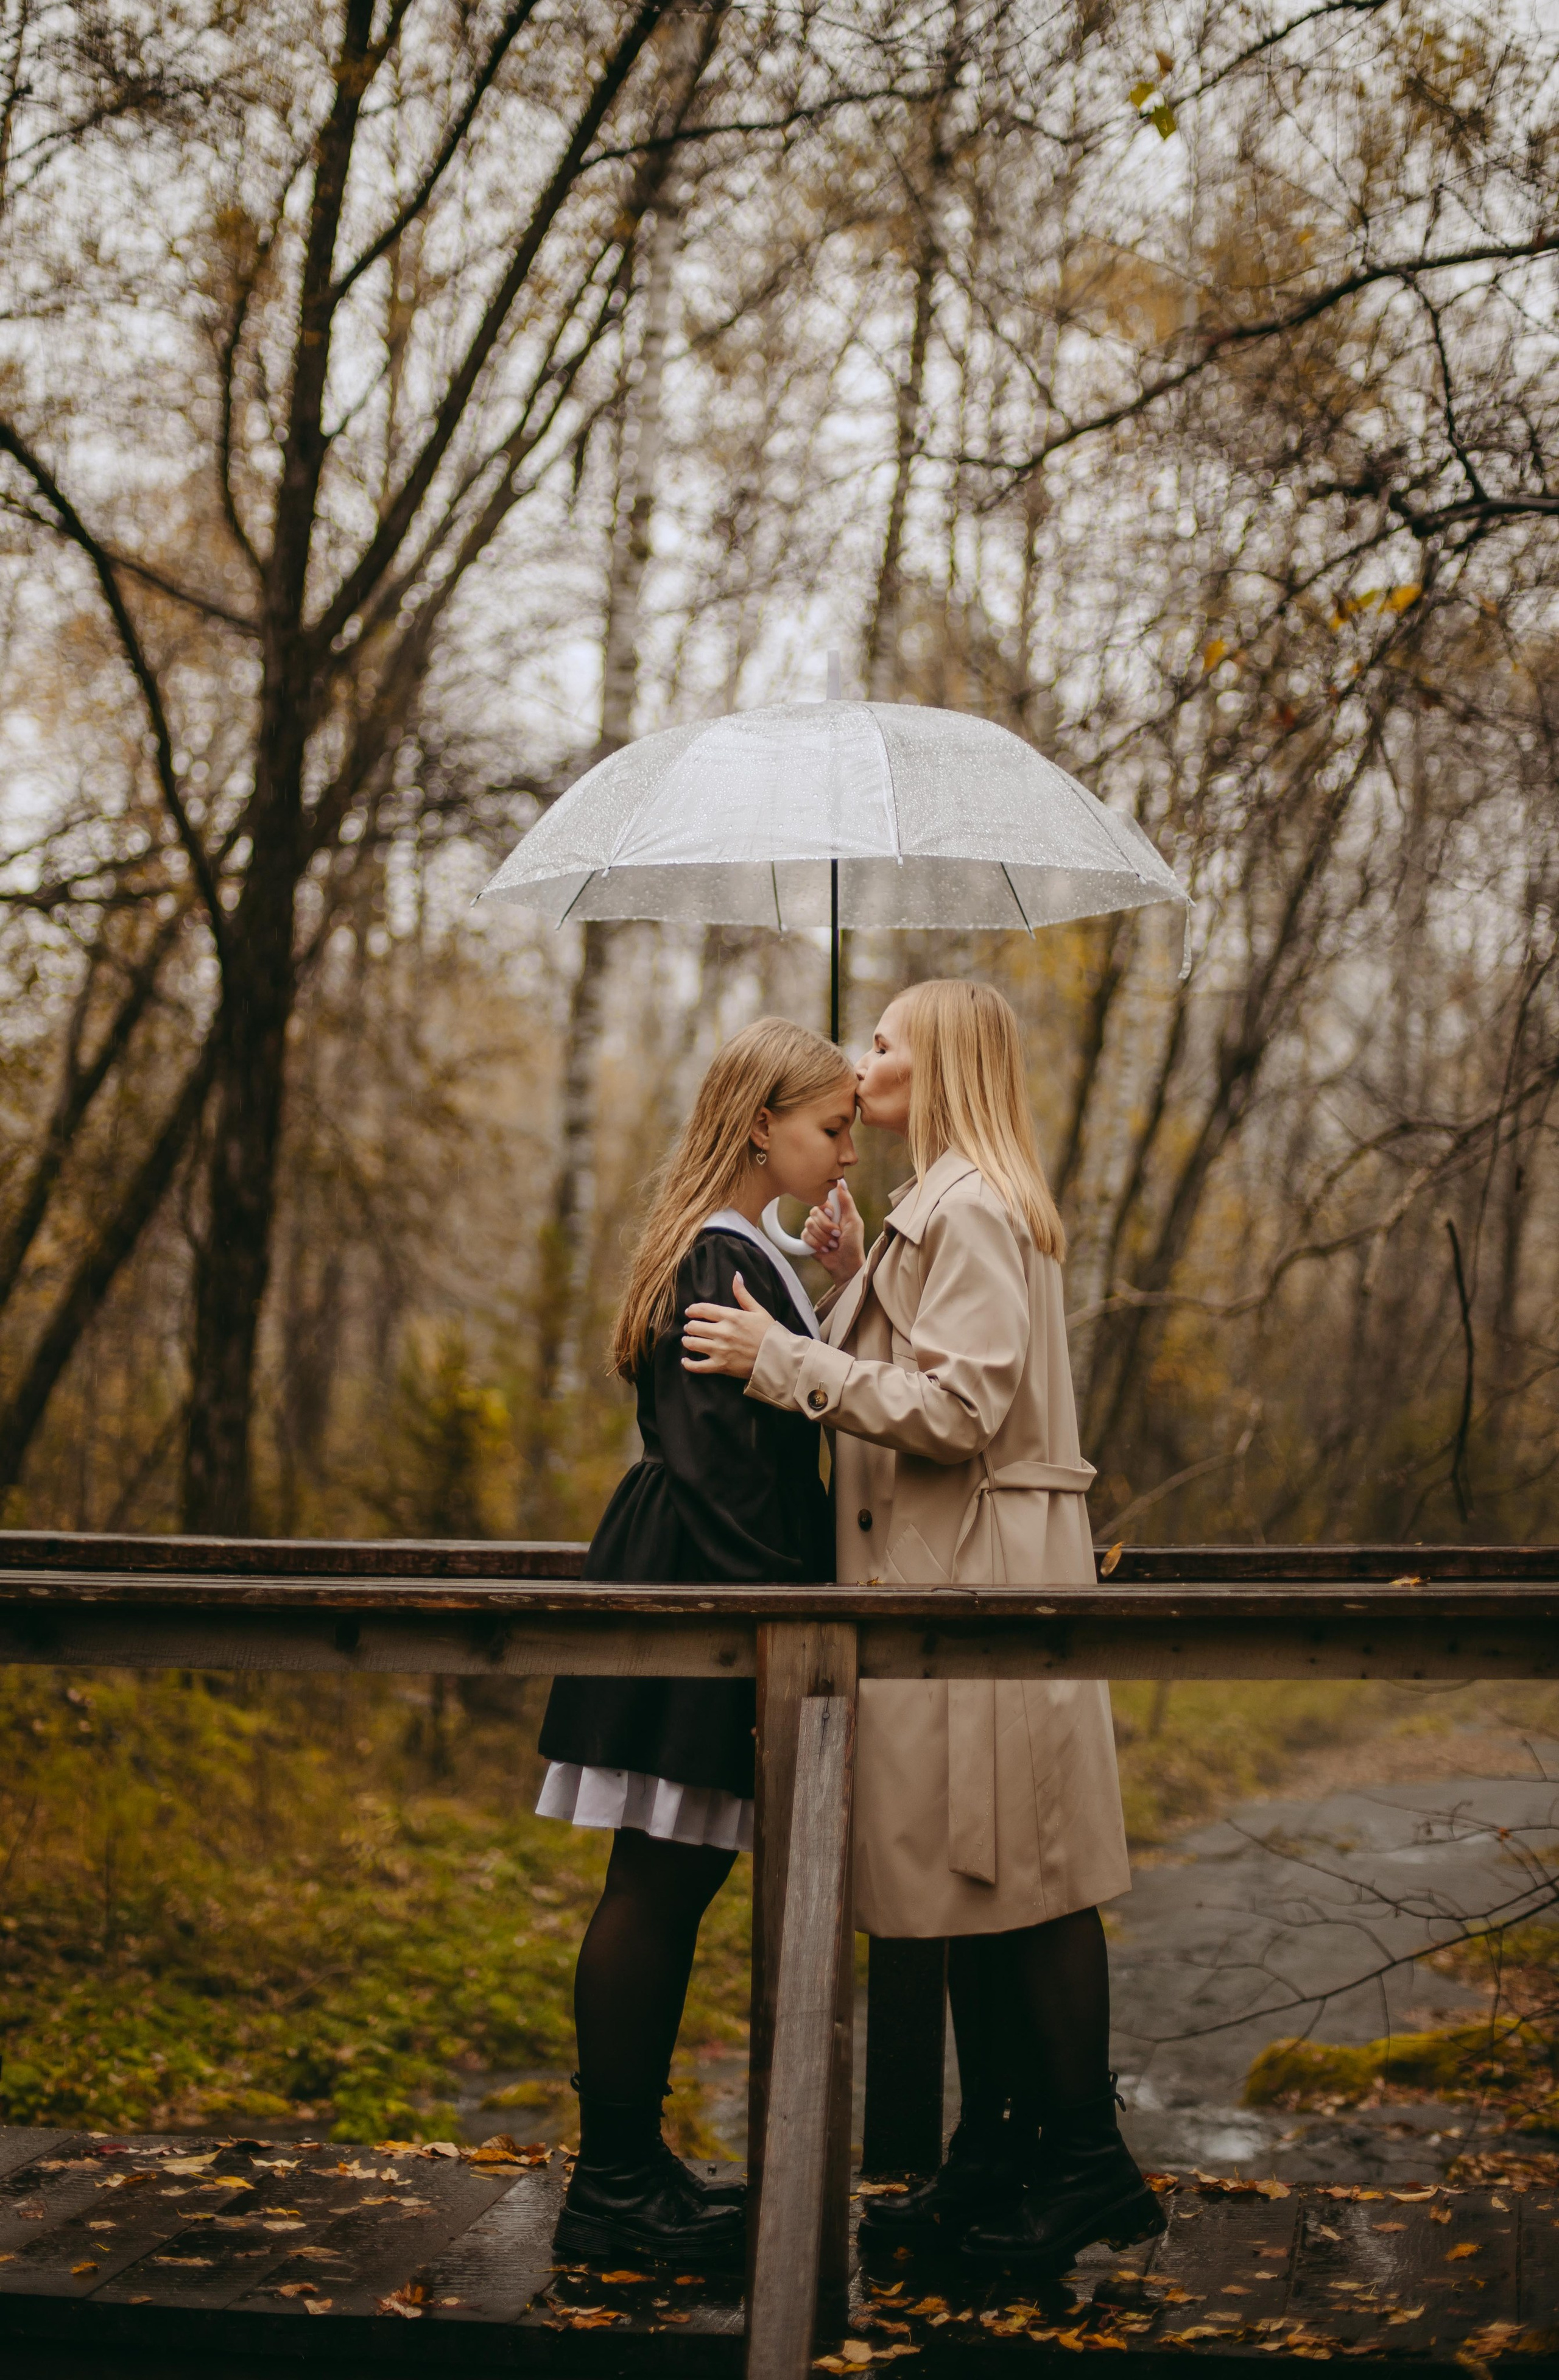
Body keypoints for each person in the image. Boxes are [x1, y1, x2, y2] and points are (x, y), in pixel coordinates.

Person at [681, 979, 1160, 2278]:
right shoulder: (931, 1210)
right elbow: (931, 1366)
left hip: (988, 1577)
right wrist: (846, 1281)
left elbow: (956, 1412)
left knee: (1028, 1873)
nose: (859, 1056)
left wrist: (781, 1357)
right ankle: (992, 2157)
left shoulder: (976, 1208)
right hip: (953, 1578)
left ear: (938, 1062)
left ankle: (1081, 2163)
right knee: (976, 1871)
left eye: (882, 1040)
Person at [538, 1016, 857, 2266]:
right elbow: (725, 1478)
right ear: (758, 1123)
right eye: (829, 1129)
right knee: (656, 1879)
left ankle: (630, 2166)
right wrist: (785, 1621)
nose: (843, 1153)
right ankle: (609, 2181)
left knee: (667, 1877)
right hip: (697, 1597)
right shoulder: (715, 1259)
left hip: (705, 1590)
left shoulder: (744, 1252)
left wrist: (830, 1285)